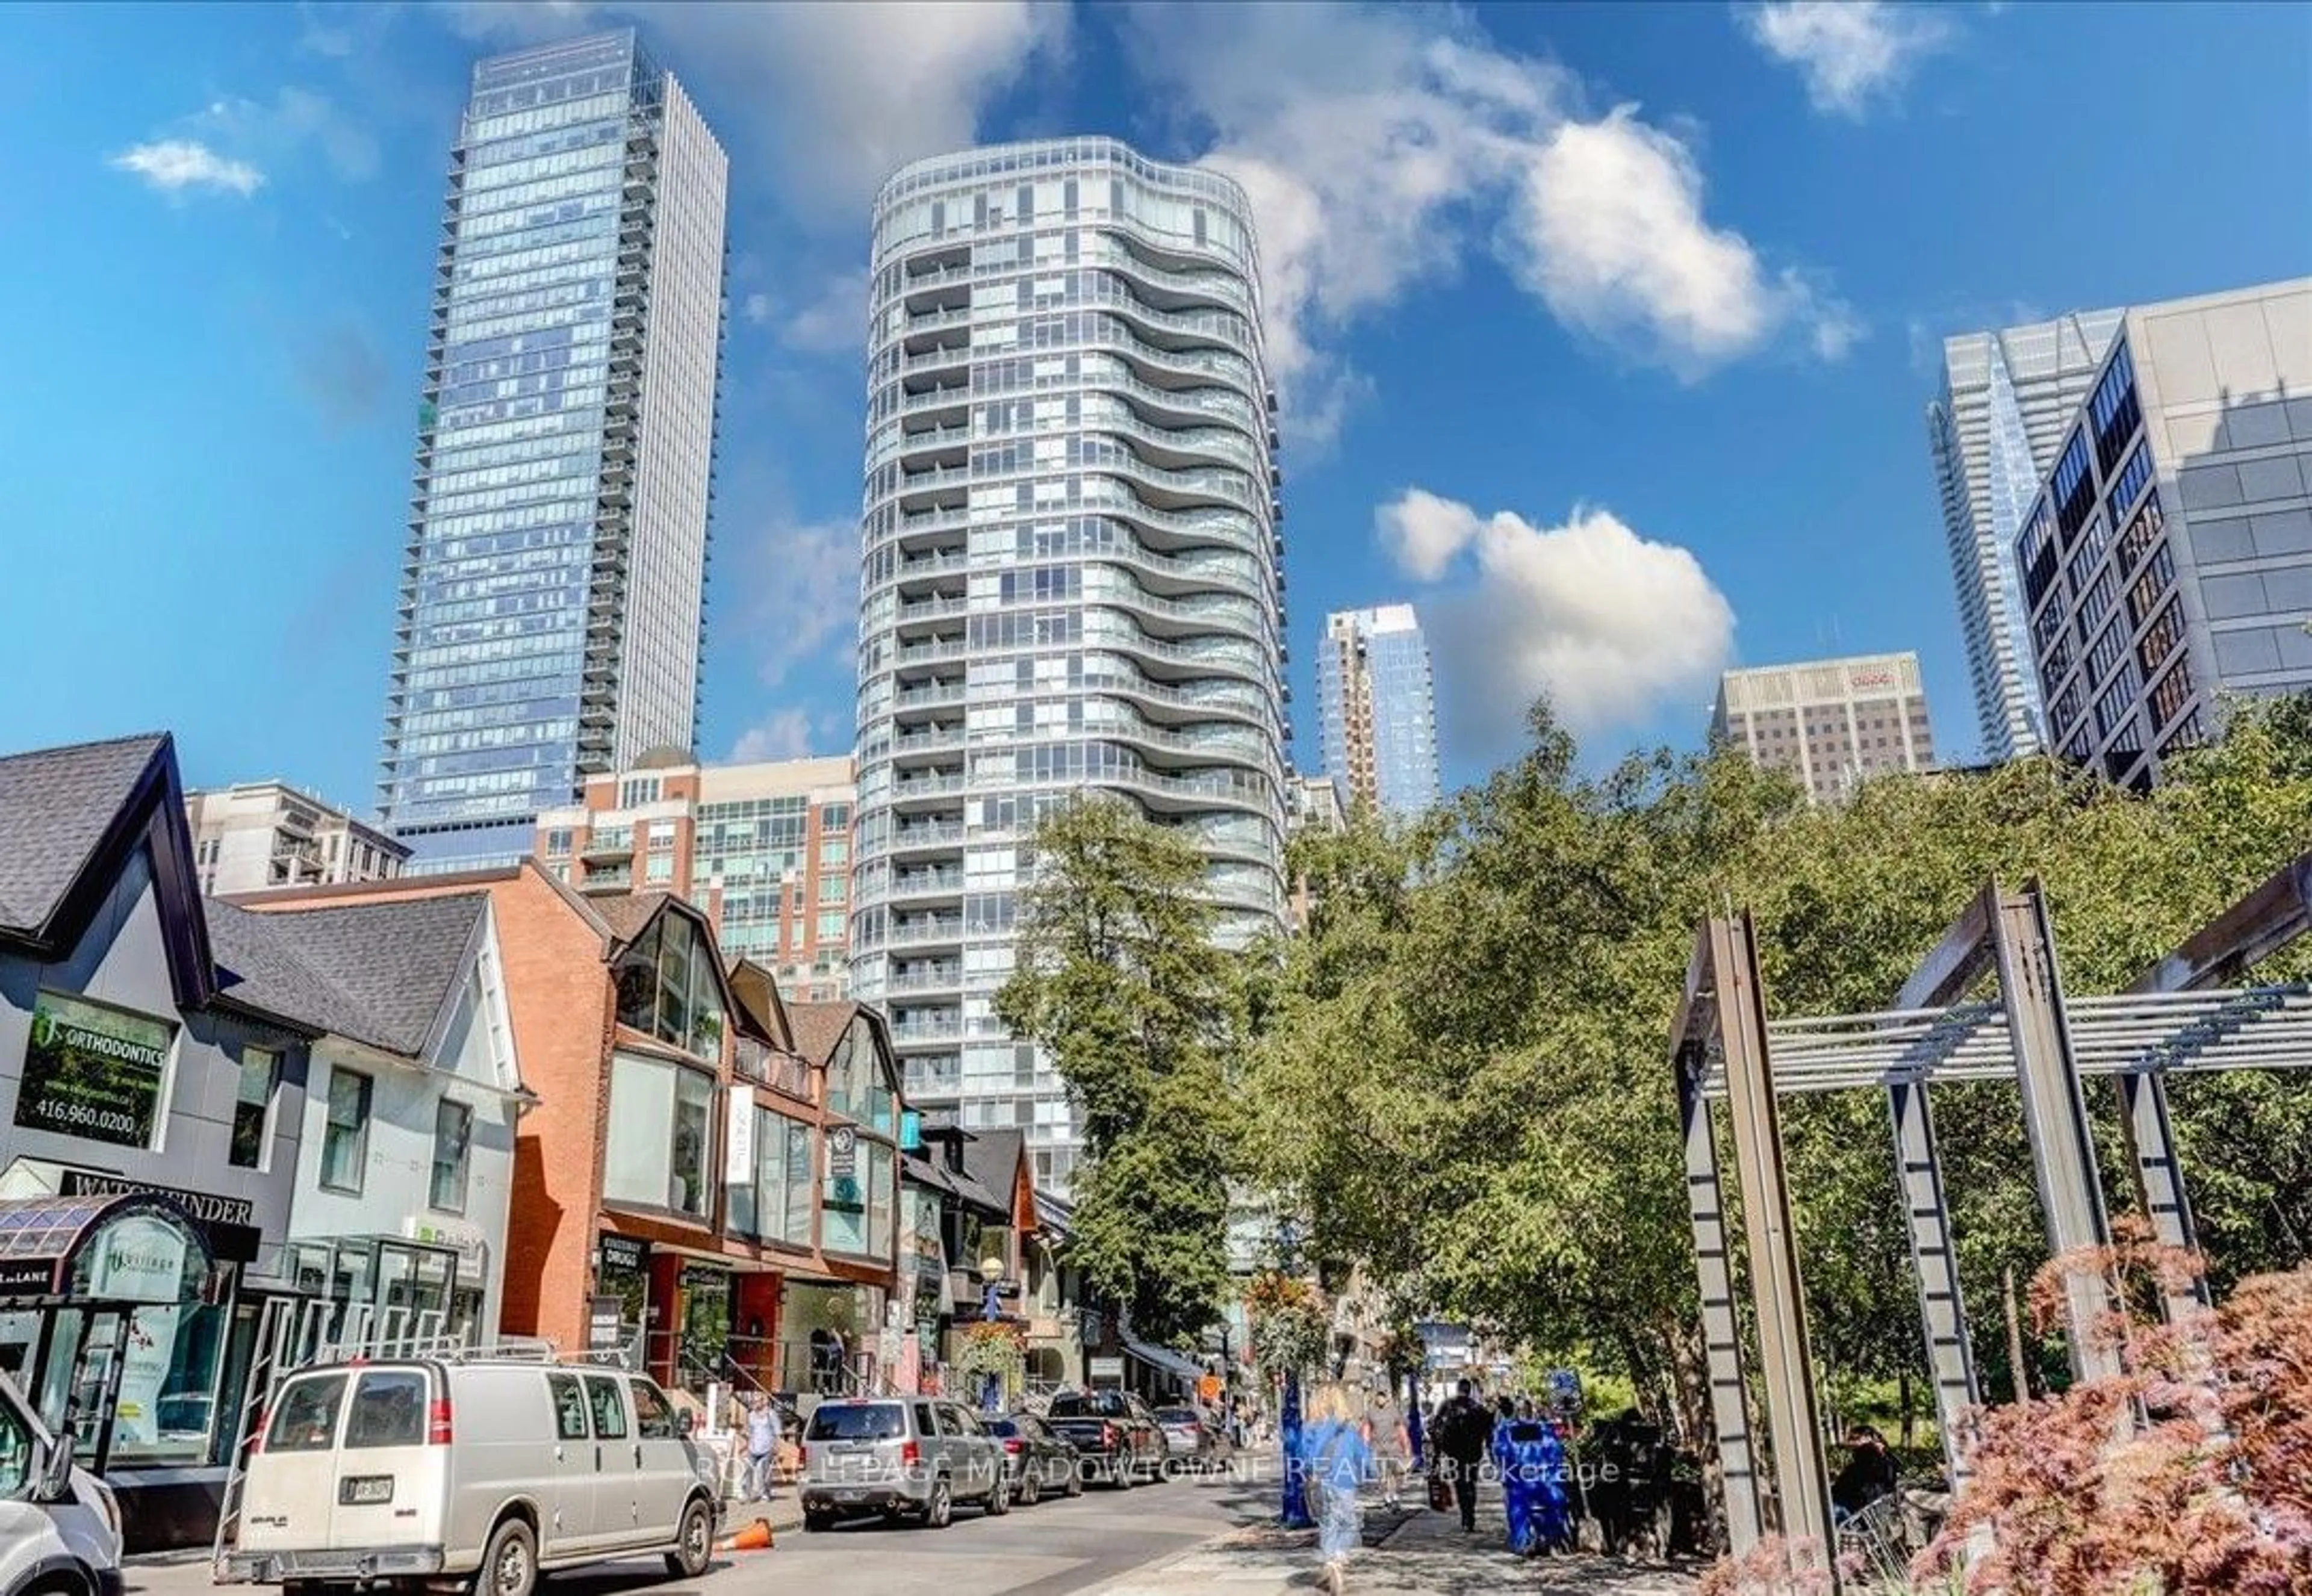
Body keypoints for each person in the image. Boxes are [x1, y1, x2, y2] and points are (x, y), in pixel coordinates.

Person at [1300, 1382, 1373, 1596]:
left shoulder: (1310, 1427)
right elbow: (1363, 1455)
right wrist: (1370, 1472)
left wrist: (1309, 1472)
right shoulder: (1348, 1428)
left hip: (1320, 1481)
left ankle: (1330, 1558)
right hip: (1345, 1481)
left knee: (1328, 1523)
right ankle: (1338, 1557)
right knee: (1349, 1523)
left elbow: (1304, 1456)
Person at [1498, 1410, 1573, 1556]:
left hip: (1521, 1481)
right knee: (1557, 1503)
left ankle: (1523, 1542)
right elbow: (1557, 1452)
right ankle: (1555, 1540)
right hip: (1548, 1480)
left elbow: (1502, 1452)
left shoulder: (1507, 1430)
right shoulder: (1545, 1430)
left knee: (1517, 1507)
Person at [1429, 1379, 1492, 1533]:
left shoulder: (1448, 1406)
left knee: (1460, 1483)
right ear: (1470, 1391)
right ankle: (1469, 1516)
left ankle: (1466, 1515)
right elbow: (1488, 1429)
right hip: (1473, 1453)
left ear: (1458, 1389)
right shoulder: (1477, 1409)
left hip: (1454, 1452)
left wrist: (1438, 1453)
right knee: (1471, 1484)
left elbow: (1436, 1428)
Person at [1831, 1426, 1899, 1525]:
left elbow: (1845, 1488)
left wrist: (1881, 1453)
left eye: (1855, 1438)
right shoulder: (1863, 1462)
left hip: (1860, 1511)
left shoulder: (1875, 1464)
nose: (1851, 1442)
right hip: (1858, 1507)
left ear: (1869, 1439)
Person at [1366, 1390, 1409, 1510]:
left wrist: (1406, 1446)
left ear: (1386, 1399)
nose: (1380, 1400)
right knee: (1383, 1475)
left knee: (1394, 1474)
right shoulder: (1371, 1412)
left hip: (1393, 1446)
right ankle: (1387, 1497)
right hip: (1378, 1447)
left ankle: (1395, 1495)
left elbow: (1402, 1426)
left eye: (1382, 1398)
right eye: (1378, 1398)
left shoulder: (1394, 1411)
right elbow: (1366, 1428)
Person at [742, 1393, 781, 1502]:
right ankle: (746, 1494)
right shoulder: (751, 1416)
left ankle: (765, 1493)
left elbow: (778, 1432)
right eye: (752, 1402)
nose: (753, 1403)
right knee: (747, 1470)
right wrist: (745, 1446)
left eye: (756, 1401)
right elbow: (749, 1432)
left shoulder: (771, 1414)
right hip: (753, 1447)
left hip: (767, 1448)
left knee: (763, 1471)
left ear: (764, 1402)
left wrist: (777, 1448)